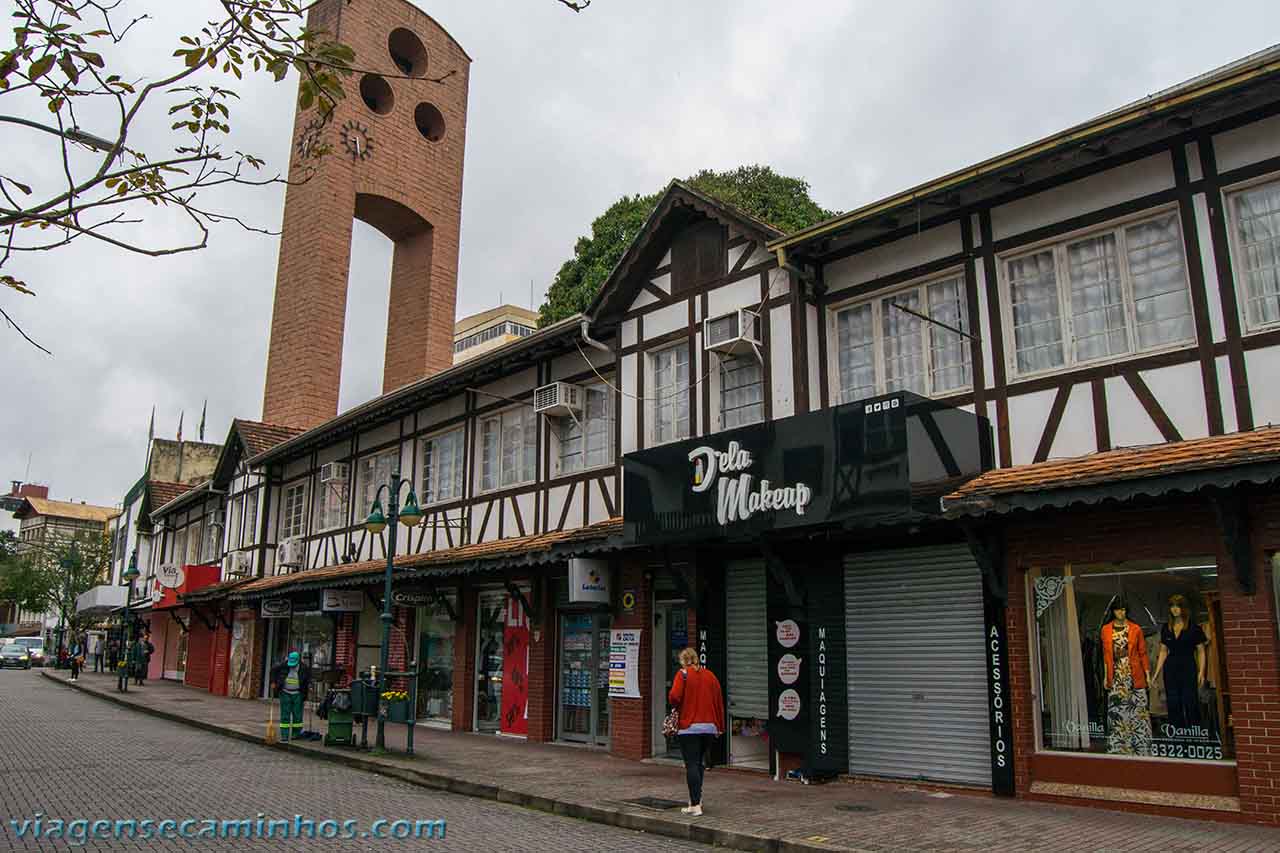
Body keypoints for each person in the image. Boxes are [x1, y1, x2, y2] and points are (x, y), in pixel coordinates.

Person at [667, 647, 725, 817]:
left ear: (684, 660)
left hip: (689, 726)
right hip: (709, 727)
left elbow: (674, 697)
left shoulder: (682, 674)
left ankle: (695, 805)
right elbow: (718, 701)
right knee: (699, 763)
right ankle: (697, 799)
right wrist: (720, 726)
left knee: (691, 764)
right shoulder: (710, 676)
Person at [270, 651, 310, 744]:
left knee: (297, 715)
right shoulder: (283, 665)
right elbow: (273, 670)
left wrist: (309, 686)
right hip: (285, 693)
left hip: (298, 694)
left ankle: (296, 734)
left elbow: (307, 679)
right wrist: (273, 682)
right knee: (285, 715)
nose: (291, 665)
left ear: (298, 661)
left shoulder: (304, 668)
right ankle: (284, 735)